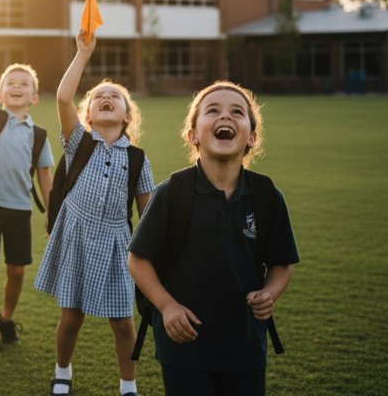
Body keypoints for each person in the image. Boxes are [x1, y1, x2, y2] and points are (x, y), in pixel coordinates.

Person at [128, 81, 299, 396]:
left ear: (252, 136)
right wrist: (167, 307)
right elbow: (138, 259)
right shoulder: (171, 193)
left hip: (246, 345)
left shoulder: (266, 196)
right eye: (213, 111)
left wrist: (270, 293)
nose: (226, 117)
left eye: (237, 112)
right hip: (184, 344)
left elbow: (281, 263)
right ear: (192, 134)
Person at [34, 29, 155, 396]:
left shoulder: (136, 158)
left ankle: (128, 385)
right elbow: (62, 96)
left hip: (118, 242)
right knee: (71, 318)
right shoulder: (78, 143)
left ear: (127, 115)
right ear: (88, 114)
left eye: (114, 97)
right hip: (76, 237)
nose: (106, 98)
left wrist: (153, 255)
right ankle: (63, 371)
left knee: (123, 322)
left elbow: (147, 211)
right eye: (99, 96)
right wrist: (83, 54)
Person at [0, 11, 53, 351]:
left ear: (34, 97)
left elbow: (45, 176)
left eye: (24, 85)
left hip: (19, 211)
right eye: (10, 84)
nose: (17, 88)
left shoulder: (39, 135)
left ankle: (6, 317)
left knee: (16, 272)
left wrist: (52, 211)